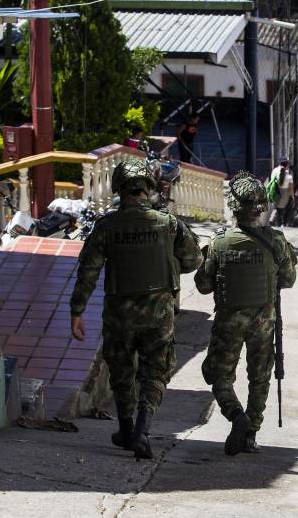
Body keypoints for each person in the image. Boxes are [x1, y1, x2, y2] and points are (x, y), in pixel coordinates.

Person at [70, 159, 202, 459]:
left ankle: (127, 428)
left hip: (120, 314)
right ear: (149, 188)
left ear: (119, 189)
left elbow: (88, 271)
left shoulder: (107, 227)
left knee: (121, 370)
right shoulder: (169, 225)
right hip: (159, 314)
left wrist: (76, 311)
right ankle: (142, 431)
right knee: (154, 373)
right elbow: (194, 261)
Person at [194, 171, 297, 456]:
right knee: (260, 377)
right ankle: (250, 433)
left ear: (234, 206)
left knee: (218, 376)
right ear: (262, 207)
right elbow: (288, 280)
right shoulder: (276, 241)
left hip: (229, 321)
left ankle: (236, 416)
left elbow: (202, 286)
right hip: (264, 323)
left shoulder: (219, 243)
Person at [267, 157, 295, 226]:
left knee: (277, 207)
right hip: (284, 192)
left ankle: (275, 220)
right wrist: (293, 196)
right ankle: (282, 223)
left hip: (274, 190)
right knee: (285, 207)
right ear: (287, 165)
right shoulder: (288, 176)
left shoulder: (274, 170)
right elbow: (291, 188)